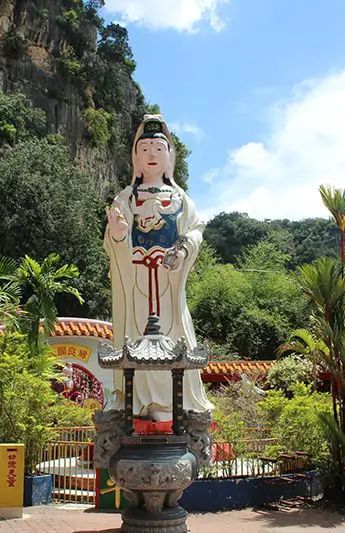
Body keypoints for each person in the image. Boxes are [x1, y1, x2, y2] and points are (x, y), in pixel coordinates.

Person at [104, 114, 214, 422]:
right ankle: (138, 402)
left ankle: (177, 404)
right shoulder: (126, 197)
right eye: (145, 149)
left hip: (168, 276)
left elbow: (196, 229)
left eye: (158, 148)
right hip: (137, 273)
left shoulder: (180, 198)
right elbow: (116, 237)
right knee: (134, 334)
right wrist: (118, 233)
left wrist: (183, 250)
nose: (151, 154)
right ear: (136, 158)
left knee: (174, 333)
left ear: (169, 158)